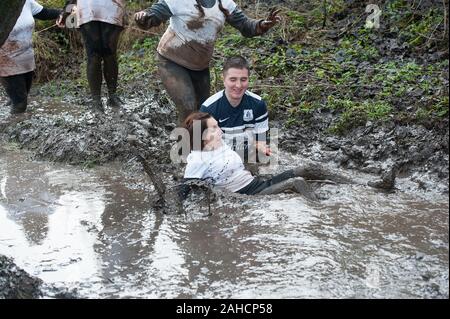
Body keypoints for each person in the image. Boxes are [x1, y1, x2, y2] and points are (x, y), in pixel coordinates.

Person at [134, 0, 281, 121]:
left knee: (202, 111)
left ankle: (197, 149)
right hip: (171, 61)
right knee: (188, 107)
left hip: (200, 67)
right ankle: (183, 152)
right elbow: (152, 17)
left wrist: (261, 25)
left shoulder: (224, 4)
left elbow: (246, 26)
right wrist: (143, 18)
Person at [178, 112, 378, 201]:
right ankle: (322, 209)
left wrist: (258, 145)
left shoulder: (221, 144)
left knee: (307, 169)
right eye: (214, 128)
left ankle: (365, 185)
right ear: (202, 135)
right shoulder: (197, 160)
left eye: (218, 125)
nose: (220, 130)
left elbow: (243, 149)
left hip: (257, 183)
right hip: (246, 195)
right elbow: (184, 189)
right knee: (297, 182)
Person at [57, 0, 125, 113]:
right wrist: (65, 11)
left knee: (110, 53)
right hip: (87, 9)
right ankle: (96, 101)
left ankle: (113, 95)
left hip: (113, 8)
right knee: (93, 55)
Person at [200, 56, 270, 162]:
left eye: (243, 80)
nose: (238, 85)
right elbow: (200, 148)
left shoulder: (258, 104)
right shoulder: (208, 108)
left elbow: (261, 140)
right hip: (220, 156)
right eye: (233, 80)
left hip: (247, 152)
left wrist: (261, 147)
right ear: (223, 80)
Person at [0, 0, 61, 115]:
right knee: (20, 104)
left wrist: (63, 13)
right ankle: (13, 127)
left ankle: (12, 115)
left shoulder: (25, 2)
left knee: (21, 96)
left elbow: (45, 13)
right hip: (6, 60)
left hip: (26, 58)